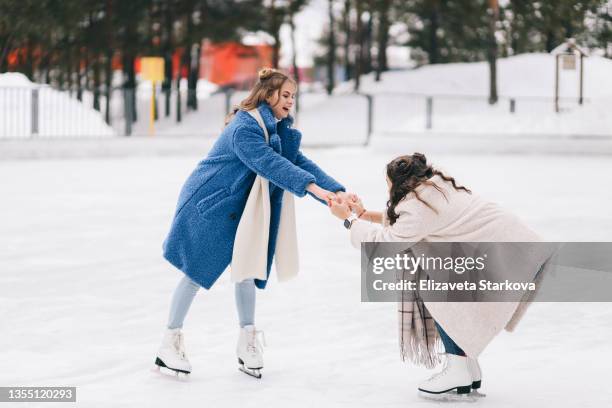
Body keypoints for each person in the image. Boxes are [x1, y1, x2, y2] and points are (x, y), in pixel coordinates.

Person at [157, 68, 353, 378]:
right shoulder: (245, 127)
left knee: (247, 270)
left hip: (244, 209)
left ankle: (246, 341)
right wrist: (315, 189)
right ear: (269, 94)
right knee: (195, 273)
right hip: (209, 206)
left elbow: (297, 161)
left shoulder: (277, 129)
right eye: (286, 95)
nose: (291, 102)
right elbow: (271, 163)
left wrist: (337, 191)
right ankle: (168, 343)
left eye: (293, 97)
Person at [329, 152, 549, 396]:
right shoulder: (434, 189)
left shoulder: (420, 208)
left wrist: (348, 220)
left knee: (439, 295)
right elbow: (407, 225)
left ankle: (459, 367)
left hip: (505, 255)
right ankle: (465, 366)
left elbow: (385, 243)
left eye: (389, 184)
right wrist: (363, 215)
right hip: (514, 248)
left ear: (401, 184)